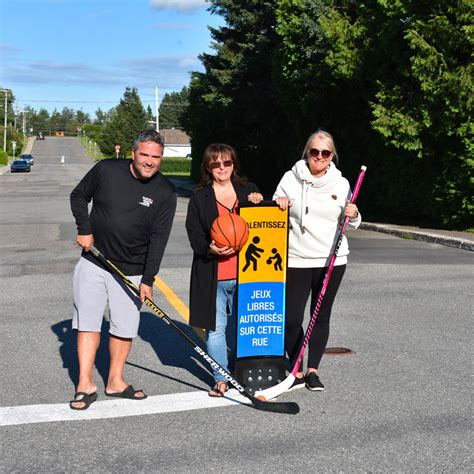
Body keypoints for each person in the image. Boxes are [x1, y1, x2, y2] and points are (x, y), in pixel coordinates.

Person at [69, 129, 177, 409]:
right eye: (145, 155)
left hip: (132, 271)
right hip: (95, 260)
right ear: (133, 153)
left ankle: (115, 381)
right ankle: (85, 383)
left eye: (156, 157)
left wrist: (148, 279)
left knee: (124, 327)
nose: (150, 161)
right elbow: (78, 196)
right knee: (88, 323)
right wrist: (84, 229)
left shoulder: (164, 192)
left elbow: (159, 240)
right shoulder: (106, 169)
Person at [274, 130, 360, 392]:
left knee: (320, 316)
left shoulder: (342, 183)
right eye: (314, 152)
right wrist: (279, 202)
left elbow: (352, 221)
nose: (319, 157)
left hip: (331, 260)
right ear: (306, 153)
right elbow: (274, 209)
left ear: (332, 155)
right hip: (297, 258)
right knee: (291, 318)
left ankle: (312, 370)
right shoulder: (291, 178)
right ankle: (296, 367)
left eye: (325, 152)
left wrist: (354, 213)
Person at [185, 144, 263, 397]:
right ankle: (221, 377)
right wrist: (209, 249)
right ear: (208, 167)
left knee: (245, 326)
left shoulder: (248, 191)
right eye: (216, 164)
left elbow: (265, 224)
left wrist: (263, 203)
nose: (222, 168)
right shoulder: (200, 198)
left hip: (247, 273)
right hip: (214, 275)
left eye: (226, 163)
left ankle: (243, 371)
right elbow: (195, 236)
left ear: (234, 165)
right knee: (216, 330)